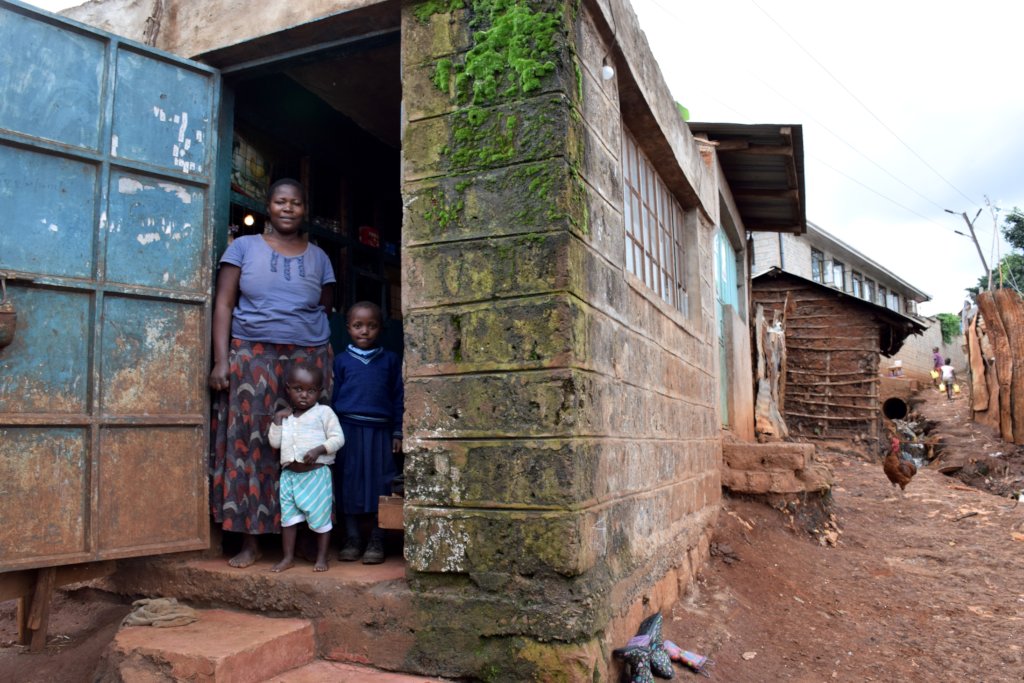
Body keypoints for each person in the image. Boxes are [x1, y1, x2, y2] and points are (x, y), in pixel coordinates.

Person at [209, 178, 336, 568]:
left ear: (304, 211)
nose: (287, 208)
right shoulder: (243, 248)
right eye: (280, 201)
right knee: (252, 446)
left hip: (308, 359)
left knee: (307, 447)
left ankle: (302, 540)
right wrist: (220, 360)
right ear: (268, 207)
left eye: (295, 203)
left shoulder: (320, 257)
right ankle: (249, 540)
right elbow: (224, 305)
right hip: (251, 356)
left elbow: (325, 308)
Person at [331, 302, 403, 565]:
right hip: (347, 431)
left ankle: (377, 539)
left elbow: (398, 397)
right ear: (347, 328)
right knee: (348, 482)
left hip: (380, 432)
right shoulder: (340, 360)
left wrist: (398, 431)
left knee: (382, 484)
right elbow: (333, 398)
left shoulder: (390, 360)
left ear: (381, 328)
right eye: (358, 325)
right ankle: (352, 538)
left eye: (371, 326)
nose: (365, 331)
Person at [268, 362, 344, 573]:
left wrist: (319, 449)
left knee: (320, 518)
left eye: (311, 391)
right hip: (290, 476)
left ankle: (321, 558)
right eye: (298, 389)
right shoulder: (287, 417)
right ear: (288, 389)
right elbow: (275, 444)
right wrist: (277, 421)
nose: (304, 395)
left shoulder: (324, 413)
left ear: (319, 392)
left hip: (316, 476)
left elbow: (339, 439)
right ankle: (288, 558)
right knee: (289, 520)